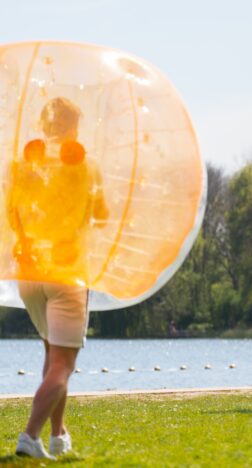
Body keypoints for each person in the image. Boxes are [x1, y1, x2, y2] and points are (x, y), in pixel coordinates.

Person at [10, 97, 108, 459]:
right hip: (67, 274)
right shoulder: (86, 166)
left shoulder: (25, 165)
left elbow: (12, 215)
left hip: (30, 274)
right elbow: (102, 214)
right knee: (63, 365)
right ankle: (30, 436)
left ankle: (58, 434)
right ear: (72, 127)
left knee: (53, 356)